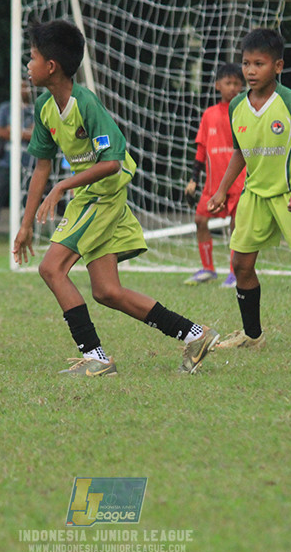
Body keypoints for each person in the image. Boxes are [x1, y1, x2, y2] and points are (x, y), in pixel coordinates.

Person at [12, 20, 220, 376]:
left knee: (51, 268)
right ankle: (196, 334)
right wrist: (25, 223)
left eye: (31, 58)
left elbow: (111, 163)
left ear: (51, 66)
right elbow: (41, 168)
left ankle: (96, 358)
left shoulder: (86, 104)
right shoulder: (46, 106)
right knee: (107, 291)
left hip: (102, 196)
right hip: (91, 195)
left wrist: (64, 186)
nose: (27, 66)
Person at [208, 28, 291, 355]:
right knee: (240, 264)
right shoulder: (236, 105)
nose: (251, 71)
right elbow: (240, 151)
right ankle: (252, 336)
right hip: (254, 197)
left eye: (259, 64)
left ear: (278, 67)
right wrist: (222, 190)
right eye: (246, 63)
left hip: (290, 196)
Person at [183, 63, 246, 288]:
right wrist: (193, 179)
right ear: (218, 85)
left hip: (238, 181)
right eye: (228, 83)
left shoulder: (243, 111)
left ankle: (234, 272)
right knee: (200, 220)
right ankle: (208, 268)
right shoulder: (209, 114)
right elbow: (201, 150)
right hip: (212, 183)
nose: (232, 88)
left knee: (236, 226)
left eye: (237, 84)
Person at [0, 78, 35, 242]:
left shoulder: (35, 109)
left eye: (26, 87)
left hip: (28, 162)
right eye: (20, 86)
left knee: (29, 201)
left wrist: (15, 131)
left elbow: (37, 135)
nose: (23, 90)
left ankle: (30, 234)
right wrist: (24, 133)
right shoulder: (6, 108)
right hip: (6, 162)